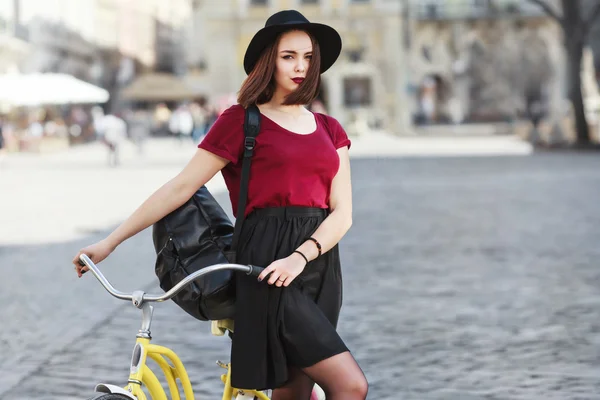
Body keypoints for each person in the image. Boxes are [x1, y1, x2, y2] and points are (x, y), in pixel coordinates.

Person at [73, 10, 367, 400]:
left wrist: (302, 256)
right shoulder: (242, 122)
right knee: (350, 385)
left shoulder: (330, 129)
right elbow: (180, 188)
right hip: (264, 266)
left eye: (308, 57)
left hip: (319, 266)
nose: (300, 67)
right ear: (268, 60)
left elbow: (341, 212)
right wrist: (110, 242)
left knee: (294, 393)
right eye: (288, 56)